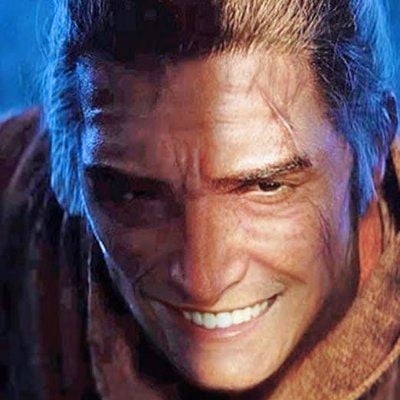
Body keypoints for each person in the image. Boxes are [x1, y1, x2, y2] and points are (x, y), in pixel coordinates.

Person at [1, 0, 400, 399]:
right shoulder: (14, 190)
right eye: (135, 194)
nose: (203, 283)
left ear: (376, 147)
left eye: (266, 187)